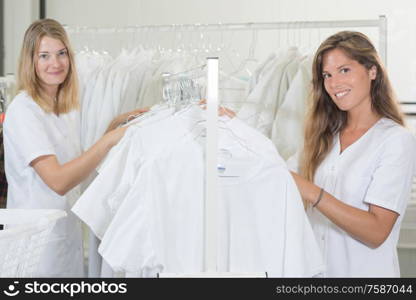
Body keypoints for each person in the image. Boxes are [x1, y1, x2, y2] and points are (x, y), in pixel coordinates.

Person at [3, 18, 148, 277]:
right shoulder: (24, 110)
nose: (55, 64)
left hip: (64, 236)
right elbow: (58, 180)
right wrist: (108, 140)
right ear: (30, 62)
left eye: (61, 54)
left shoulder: (65, 106)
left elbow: (77, 166)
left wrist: (113, 126)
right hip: (37, 243)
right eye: (44, 56)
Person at [289, 31, 416, 277]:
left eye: (344, 70)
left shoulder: (395, 140)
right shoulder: (322, 137)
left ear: (372, 71)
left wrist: (311, 192)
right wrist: (232, 130)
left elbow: (377, 231)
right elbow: (275, 176)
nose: (334, 83)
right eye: (327, 75)